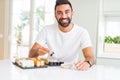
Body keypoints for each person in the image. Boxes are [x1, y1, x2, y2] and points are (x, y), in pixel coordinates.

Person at [29, 0, 94, 71]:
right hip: (50, 71)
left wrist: (87, 63)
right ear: (55, 15)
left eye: (67, 12)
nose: (63, 16)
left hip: (71, 70)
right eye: (59, 13)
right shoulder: (46, 30)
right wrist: (37, 52)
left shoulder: (82, 32)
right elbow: (31, 55)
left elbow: (90, 57)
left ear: (72, 13)